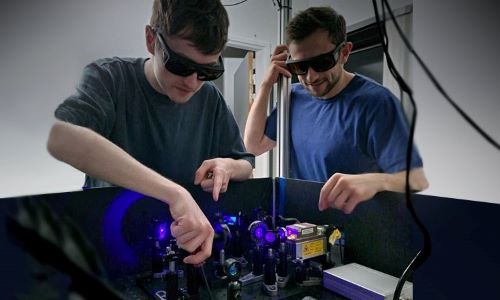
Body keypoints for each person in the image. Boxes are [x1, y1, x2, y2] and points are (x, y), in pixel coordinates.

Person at [47, 0, 254, 265]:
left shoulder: (210, 100)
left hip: (185, 251)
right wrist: (174, 193)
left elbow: (246, 165)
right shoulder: (110, 79)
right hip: (112, 250)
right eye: (179, 65)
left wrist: (228, 166)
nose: (192, 83)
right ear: (150, 40)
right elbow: (61, 137)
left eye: (207, 71)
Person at [244, 6, 428, 214]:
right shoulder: (292, 98)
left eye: (321, 63)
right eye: (300, 67)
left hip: (357, 231)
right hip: (303, 226)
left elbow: (417, 179)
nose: (311, 77)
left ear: (344, 52)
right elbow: (253, 146)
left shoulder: (376, 103)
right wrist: (266, 84)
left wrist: (376, 181)